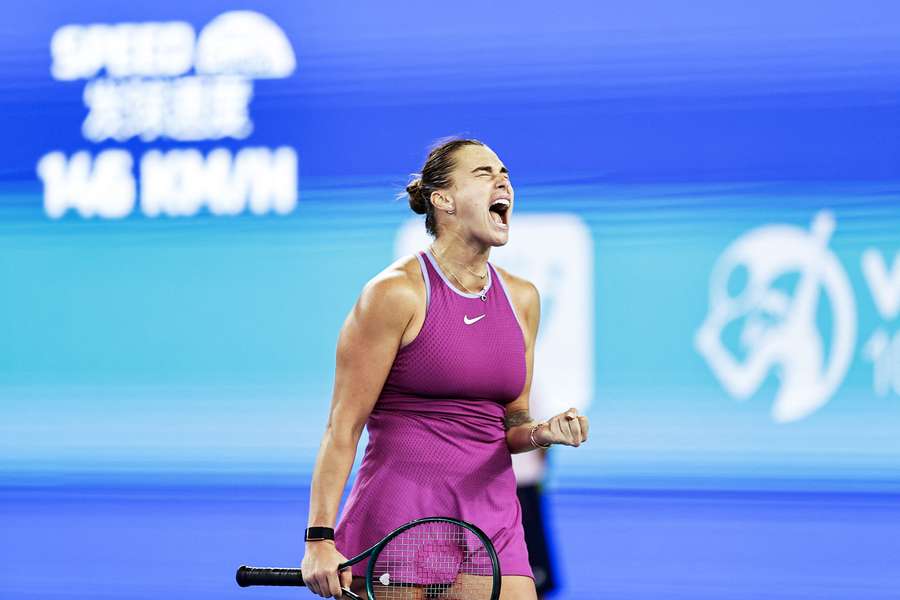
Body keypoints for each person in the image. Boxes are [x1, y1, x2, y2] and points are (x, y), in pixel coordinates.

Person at [300, 138, 590, 599]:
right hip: (398, 520)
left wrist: (543, 432)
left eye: (505, 173)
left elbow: (511, 424)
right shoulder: (394, 294)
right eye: (483, 173)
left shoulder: (523, 299)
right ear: (443, 199)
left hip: (493, 525)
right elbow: (343, 427)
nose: (503, 181)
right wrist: (319, 539)